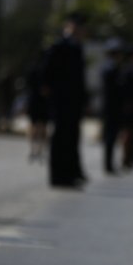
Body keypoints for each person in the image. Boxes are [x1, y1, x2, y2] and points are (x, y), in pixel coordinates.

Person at [44, 12, 88, 188]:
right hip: (61, 99)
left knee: (71, 136)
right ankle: (58, 176)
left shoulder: (77, 47)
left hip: (74, 100)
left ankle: (69, 174)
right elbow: (47, 72)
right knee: (60, 137)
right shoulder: (58, 45)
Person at [100, 39, 124, 174]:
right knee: (110, 136)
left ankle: (109, 163)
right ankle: (108, 164)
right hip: (112, 107)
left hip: (110, 106)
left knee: (111, 136)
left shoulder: (109, 67)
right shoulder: (112, 68)